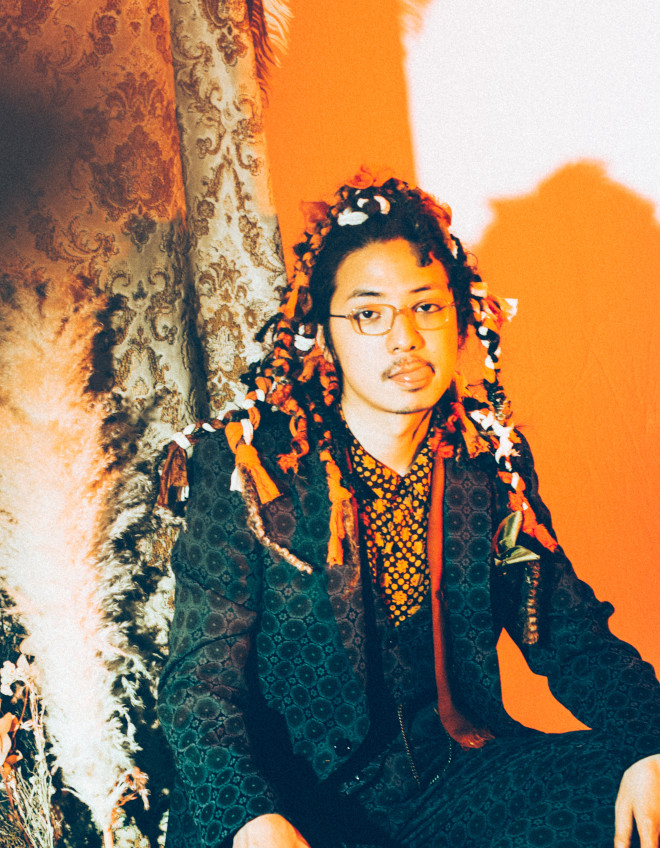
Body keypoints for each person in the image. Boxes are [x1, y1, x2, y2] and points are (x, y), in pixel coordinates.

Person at [157, 172, 660, 848]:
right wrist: (252, 821)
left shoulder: (487, 461)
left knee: (637, 783)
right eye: (370, 314)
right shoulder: (249, 470)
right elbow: (199, 688)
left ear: (461, 319)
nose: (404, 339)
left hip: (451, 785)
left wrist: (650, 742)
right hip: (293, 804)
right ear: (323, 333)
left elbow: (569, 633)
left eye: (426, 307)